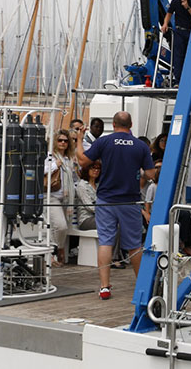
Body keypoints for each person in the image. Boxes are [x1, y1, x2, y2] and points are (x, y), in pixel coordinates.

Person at [77, 111, 155, 301]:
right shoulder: (139, 146)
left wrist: (79, 139)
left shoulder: (103, 142)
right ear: (131, 124)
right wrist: (136, 174)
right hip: (130, 201)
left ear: (113, 124)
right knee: (135, 246)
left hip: (105, 200)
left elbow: (82, 161)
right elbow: (151, 174)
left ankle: (104, 287)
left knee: (106, 242)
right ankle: (141, 287)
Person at [45, 129, 77, 267]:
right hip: (52, 196)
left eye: (65, 141)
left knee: (55, 228)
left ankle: (52, 256)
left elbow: (74, 178)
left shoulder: (69, 159)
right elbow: (41, 170)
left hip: (66, 197)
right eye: (60, 140)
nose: (63, 143)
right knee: (60, 226)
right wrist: (54, 166)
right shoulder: (50, 156)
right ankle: (58, 249)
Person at [160, 0, 191, 83]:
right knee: (178, 56)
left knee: (190, 56)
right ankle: (178, 80)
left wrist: (187, 7)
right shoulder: (175, 2)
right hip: (179, 31)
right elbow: (169, 13)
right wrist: (165, 24)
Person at [75, 161, 102, 231]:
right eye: (93, 168)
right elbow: (89, 206)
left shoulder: (99, 186)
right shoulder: (82, 185)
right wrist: (105, 212)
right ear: (87, 169)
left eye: (98, 169)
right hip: (86, 220)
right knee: (111, 222)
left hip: (99, 217)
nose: (96, 170)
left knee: (120, 222)